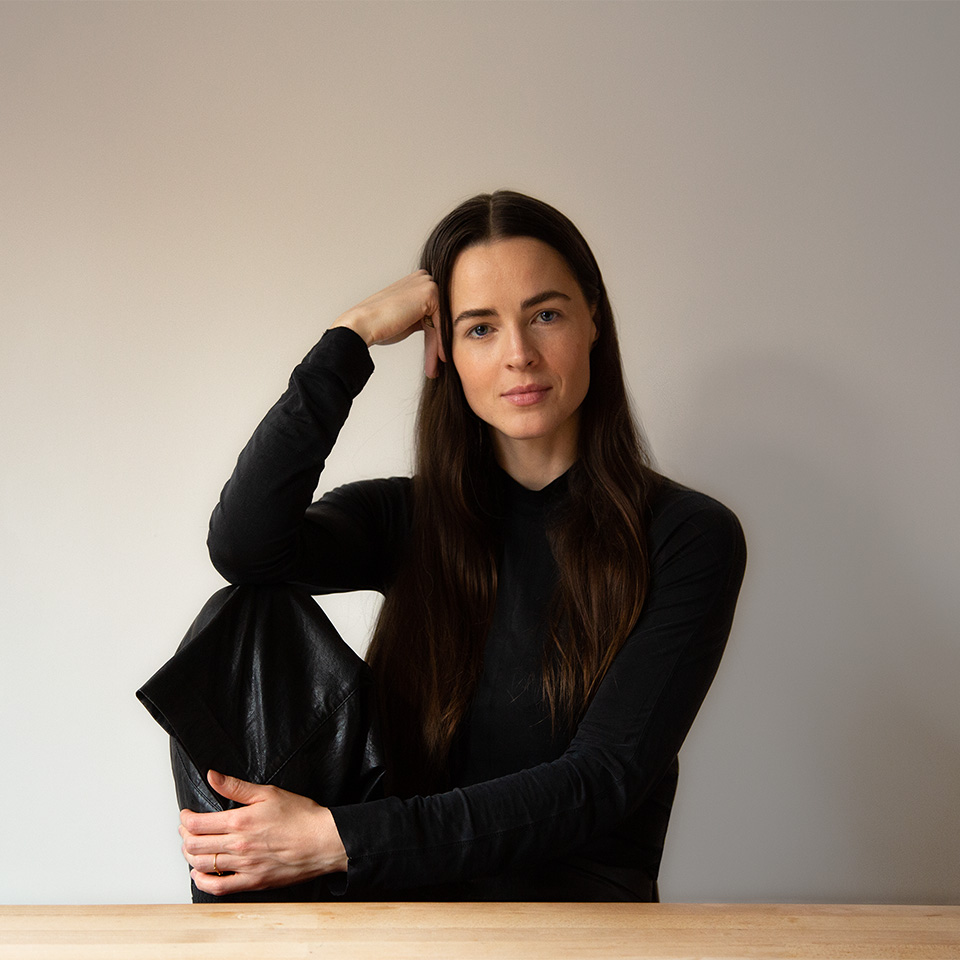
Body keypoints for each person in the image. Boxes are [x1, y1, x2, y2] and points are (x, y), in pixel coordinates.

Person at [170, 190, 746, 902]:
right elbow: (244, 547)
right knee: (239, 614)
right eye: (479, 328)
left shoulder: (686, 536)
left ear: (593, 318)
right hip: (398, 907)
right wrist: (349, 340)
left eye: (545, 314)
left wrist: (337, 839)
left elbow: (603, 782)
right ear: (444, 351)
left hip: (573, 922)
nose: (519, 356)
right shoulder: (407, 517)